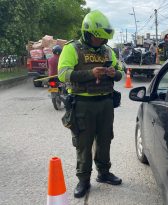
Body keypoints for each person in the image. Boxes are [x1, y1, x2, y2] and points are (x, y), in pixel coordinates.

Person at [58, 10, 123, 198]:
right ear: (87, 33)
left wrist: (113, 73)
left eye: (103, 39)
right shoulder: (72, 48)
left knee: (105, 139)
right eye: (97, 38)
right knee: (84, 144)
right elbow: (63, 74)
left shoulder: (108, 50)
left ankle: (104, 173)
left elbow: (119, 72)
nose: (100, 42)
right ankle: (83, 180)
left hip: (105, 103)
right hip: (83, 103)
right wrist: (90, 73)